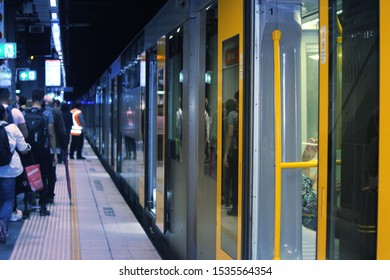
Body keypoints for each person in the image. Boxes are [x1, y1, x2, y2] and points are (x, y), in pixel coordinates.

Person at [24, 89, 57, 216]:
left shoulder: (24, 113)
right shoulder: (47, 113)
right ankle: (43, 207)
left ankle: (27, 207)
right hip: (43, 151)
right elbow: (51, 134)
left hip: (28, 151)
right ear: (42, 99)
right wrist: (54, 153)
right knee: (43, 177)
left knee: (29, 176)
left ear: (32, 98)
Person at [0, 105, 29, 243]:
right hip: (8, 170)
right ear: (5, 115)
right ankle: (2, 225)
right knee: (8, 199)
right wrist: (28, 148)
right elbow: (23, 149)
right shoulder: (12, 128)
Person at [43, 94, 68, 203]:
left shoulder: (35, 112)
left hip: (39, 147)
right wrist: (65, 147)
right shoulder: (57, 112)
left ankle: (40, 195)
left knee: (40, 171)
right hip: (54, 146)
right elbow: (62, 132)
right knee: (51, 171)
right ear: (53, 102)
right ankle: (49, 195)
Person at [223, 94, 238, 216]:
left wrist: (226, 154)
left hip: (234, 152)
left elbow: (229, 134)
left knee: (232, 178)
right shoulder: (242, 113)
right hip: (242, 152)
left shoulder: (232, 115)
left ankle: (234, 207)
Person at [301, 138, 318, 230]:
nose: (312, 148)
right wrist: (316, 184)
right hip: (308, 222)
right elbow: (310, 208)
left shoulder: (310, 176)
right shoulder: (299, 177)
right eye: (309, 144)